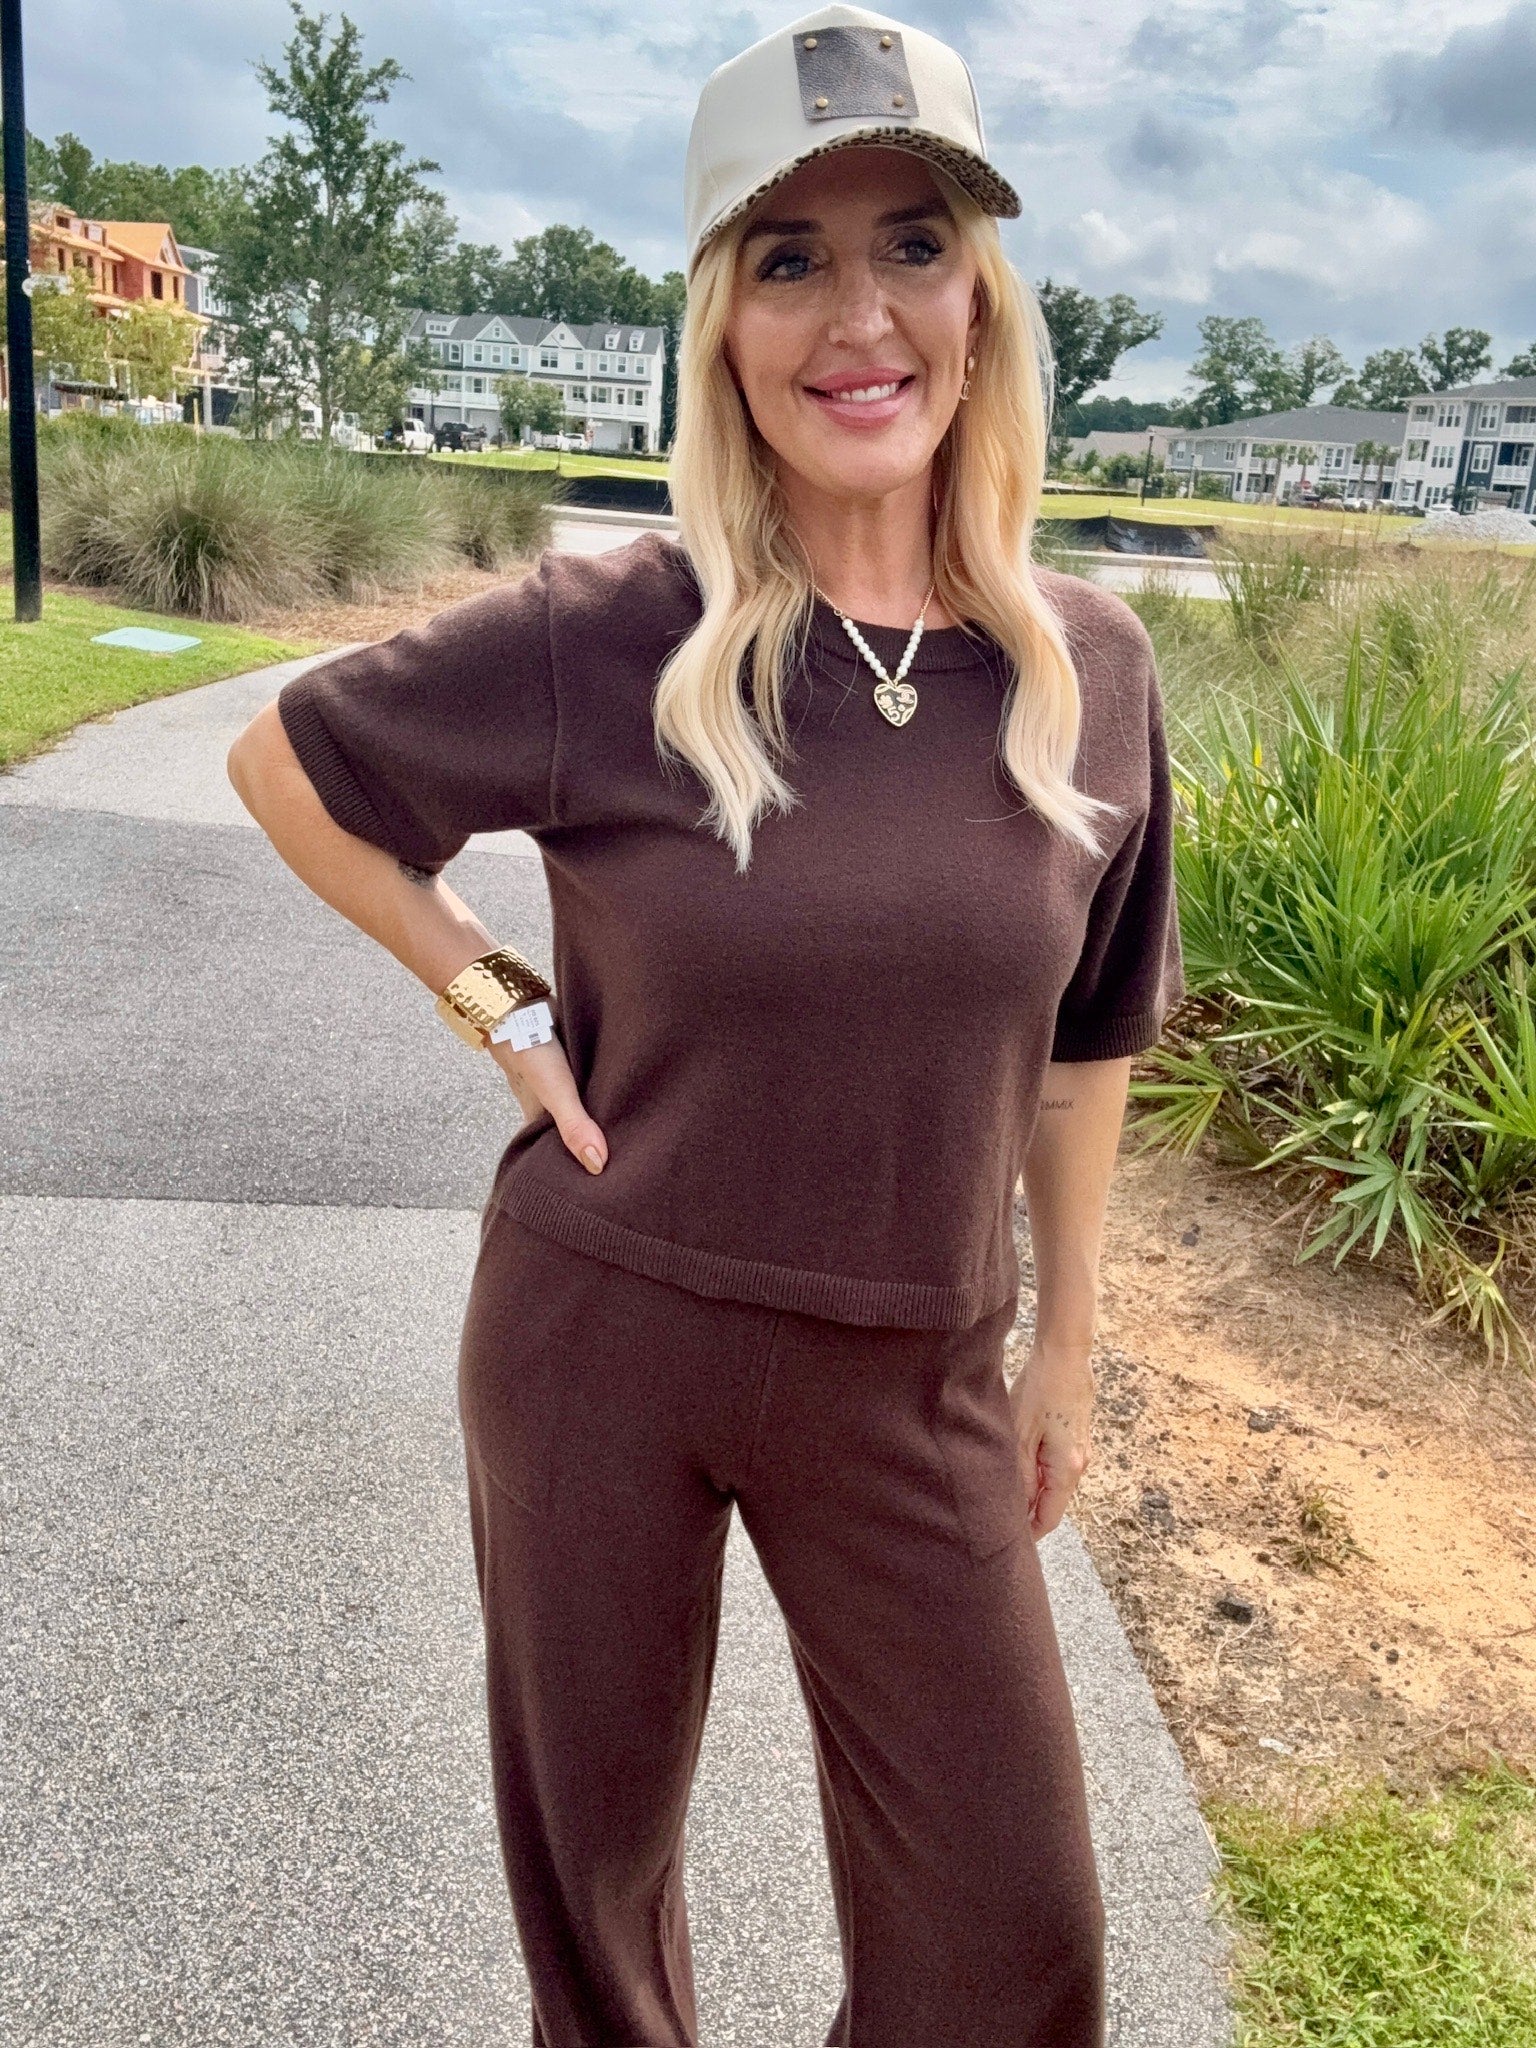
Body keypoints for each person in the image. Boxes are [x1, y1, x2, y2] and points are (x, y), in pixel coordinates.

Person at [226, 5, 1183, 2042]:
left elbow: (1092, 1039)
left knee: (1013, 1952)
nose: (863, 316)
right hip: (603, 1335)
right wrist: (491, 998)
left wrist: (1068, 1343)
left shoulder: (1090, 668)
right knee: (600, 1907)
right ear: (724, 325)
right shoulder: (619, 637)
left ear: (984, 293)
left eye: (913, 241)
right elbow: (288, 767)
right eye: (790, 257)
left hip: (918, 1373)